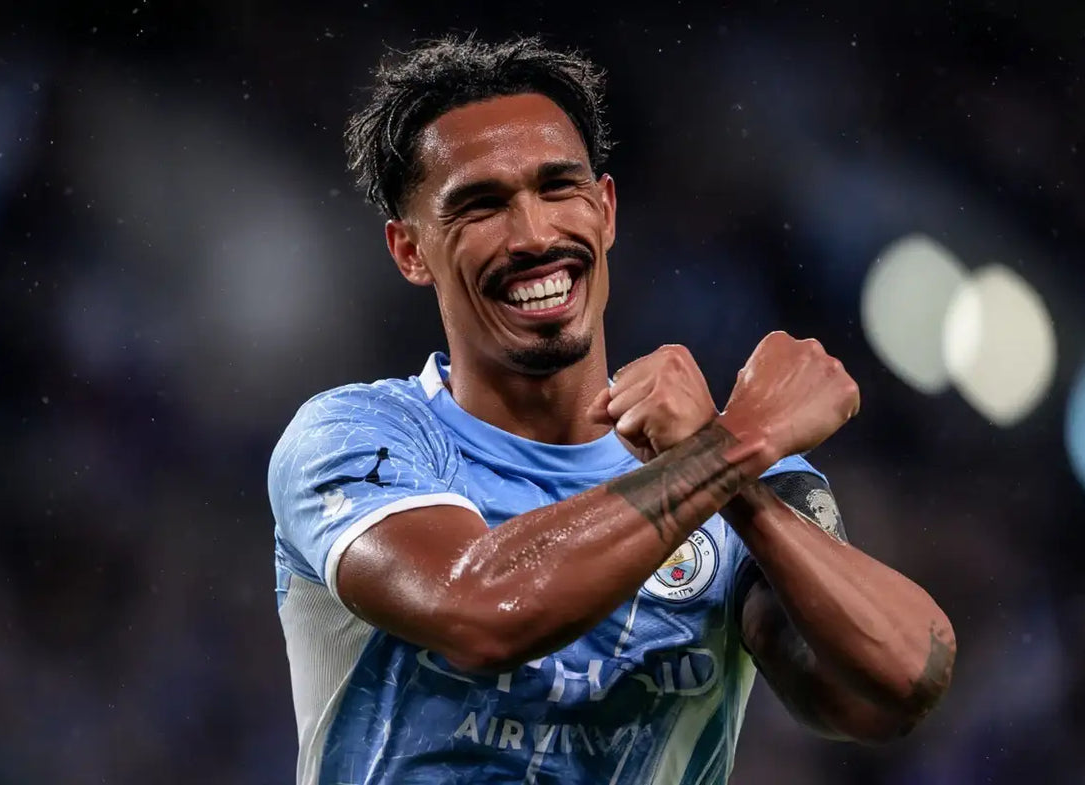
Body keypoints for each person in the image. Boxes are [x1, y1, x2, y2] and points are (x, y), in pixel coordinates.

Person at [267, 34, 956, 785]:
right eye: (480, 205)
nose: (533, 235)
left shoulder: (749, 477)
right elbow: (482, 609)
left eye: (558, 188)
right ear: (411, 251)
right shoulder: (356, 438)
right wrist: (734, 443)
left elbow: (890, 687)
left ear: (605, 210)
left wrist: (739, 477)